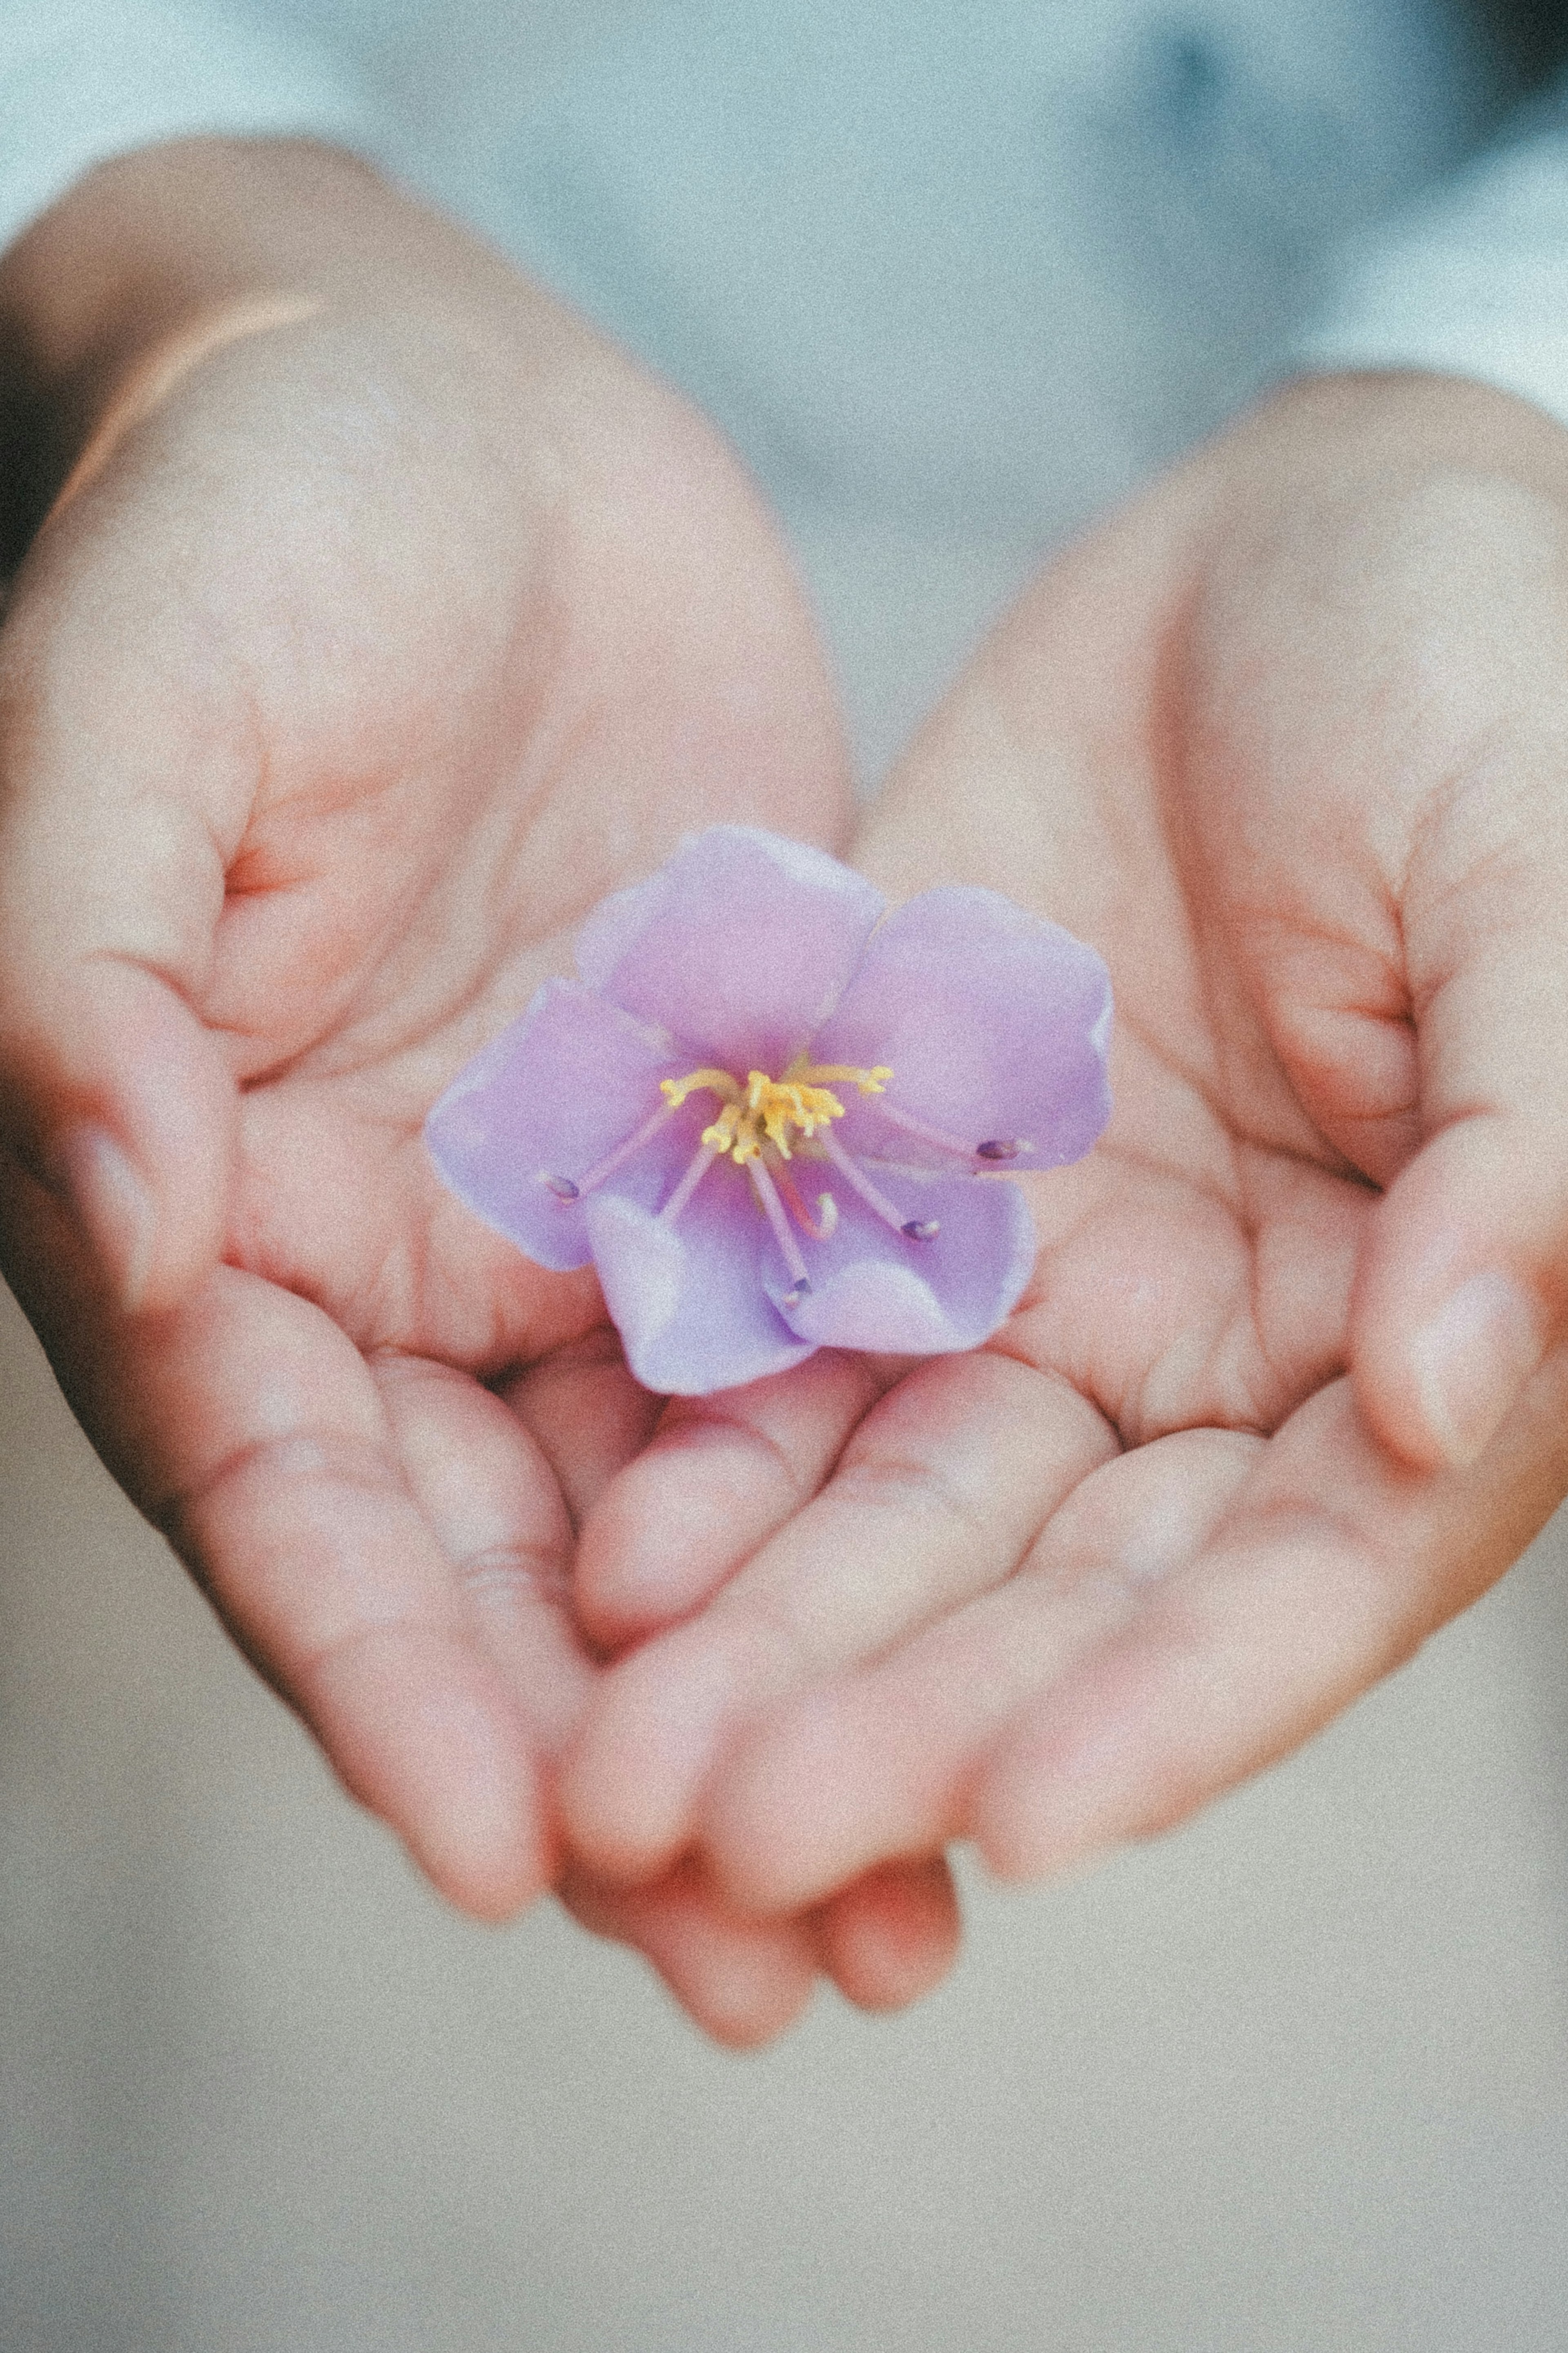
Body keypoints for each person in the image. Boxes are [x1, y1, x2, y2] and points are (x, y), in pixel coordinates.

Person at [2, 0, 1568, 2047]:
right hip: (351, 930)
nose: (754, 1128)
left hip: (1240, 772)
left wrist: (1491, 406)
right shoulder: (554, 1108)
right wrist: (168, 231)